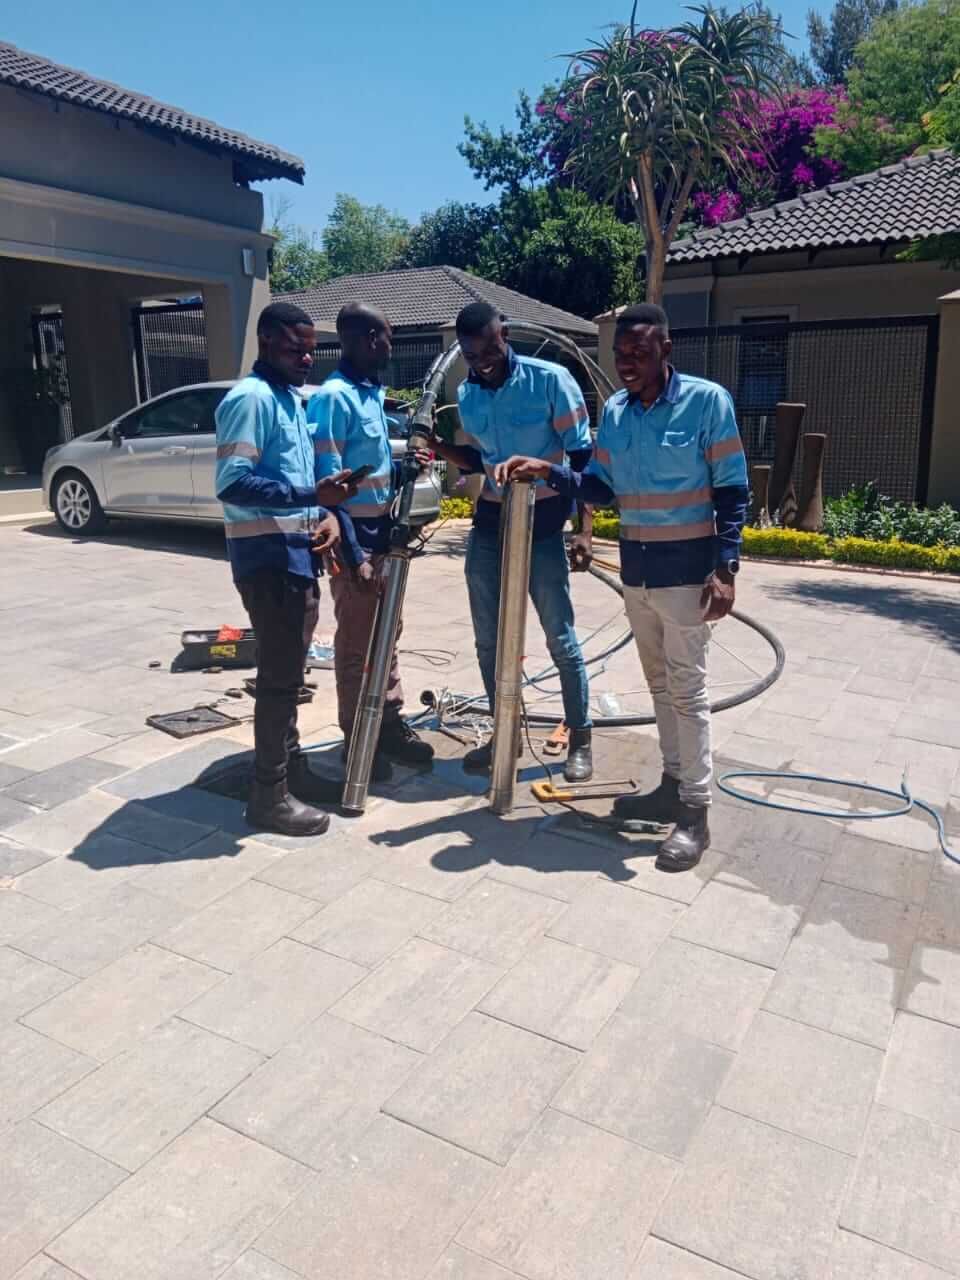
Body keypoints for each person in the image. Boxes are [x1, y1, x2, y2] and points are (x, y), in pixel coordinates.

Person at [499, 303, 749, 871]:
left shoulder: (706, 402)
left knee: (688, 692)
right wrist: (547, 470)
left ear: (666, 348)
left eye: (639, 352)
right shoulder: (614, 410)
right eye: (621, 354)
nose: (628, 362)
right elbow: (601, 488)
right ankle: (671, 783)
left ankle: (695, 813)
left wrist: (726, 569)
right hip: (637, 574)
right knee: (660, 686)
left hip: (689, 574)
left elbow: (733, 490)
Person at [427, 301, 595, 782]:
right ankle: (507, 734)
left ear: (505, 335)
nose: (484, 362)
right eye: (473, 355)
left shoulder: (550, 381)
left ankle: (580, 737)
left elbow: (582, 459)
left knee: (559, 637)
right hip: (491, 521)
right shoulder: (468, 393)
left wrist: (584, 529)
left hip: (543, 521)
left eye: (491, 350)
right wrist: (437, 447)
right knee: (488, 639)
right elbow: (481, 461)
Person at [215, 301, 363, 837]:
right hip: (266, 561)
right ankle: (268, 794)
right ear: (267, 341)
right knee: (279, 679)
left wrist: (322, 513)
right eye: (296, 348)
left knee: (291, 673)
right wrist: (309, 494)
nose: (307, 358)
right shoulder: (251, 400)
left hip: (295, 555)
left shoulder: (291, 401)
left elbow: (301, 484)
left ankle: (291, 771)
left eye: (311, 349)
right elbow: (232, 482)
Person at [307, 302, 434, 778]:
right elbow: (329, 483)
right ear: (359, 339)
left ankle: (390, 721)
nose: (388, 345)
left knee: (388, 635)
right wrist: (354, 555)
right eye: (382, 337)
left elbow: (370, 473)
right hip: (353, 542)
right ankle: (357, 737)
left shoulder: (369, 395)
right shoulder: (334, 399)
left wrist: (404, 471)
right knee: (358, 642)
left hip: (384, 535)